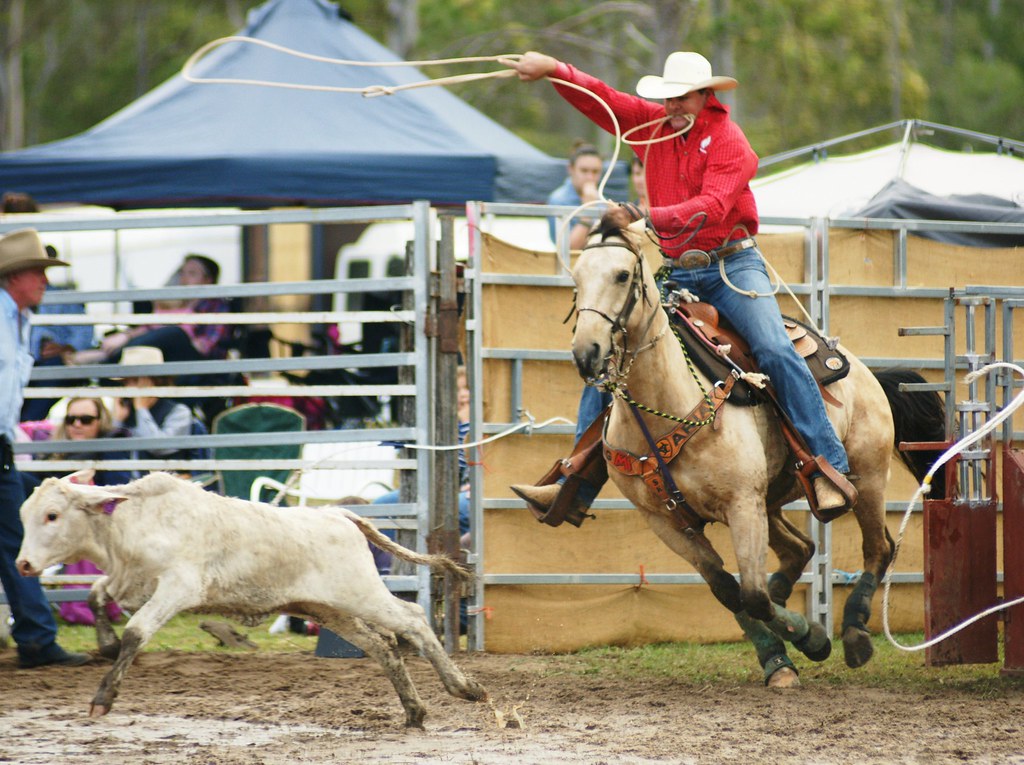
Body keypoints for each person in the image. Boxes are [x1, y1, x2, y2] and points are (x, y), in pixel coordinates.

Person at [505, 50, 856, 517]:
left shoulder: (730, 141)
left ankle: (829, 467)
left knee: (773, 348)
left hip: (731, 265)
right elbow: (603, 101)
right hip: (676, 266)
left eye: (682, 97)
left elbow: (711, 206)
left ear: (704, 96)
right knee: (613, 349)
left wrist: (646, 215)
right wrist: (555, 70)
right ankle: (574, 483)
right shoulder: (651, 125)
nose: (672, 106)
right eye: (668, 98)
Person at [0, 227, 90, 667]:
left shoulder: (18, 319)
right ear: (16, 276)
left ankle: (36, 637)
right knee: (12, 537)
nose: (44, 281)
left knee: (13, 538)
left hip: (1, 443)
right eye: (38, 272)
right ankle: (35, 637)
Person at [36, 397, 130, 625]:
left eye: (86, 420)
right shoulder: (52, 455)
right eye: (71, 419)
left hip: (100, 528)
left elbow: (117, 496)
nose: (77, 424)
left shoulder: (111, 449)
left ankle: (84, 602)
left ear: (100, 422)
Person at [72, 253, 231, 366]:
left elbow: (204, 346)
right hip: (164, 357)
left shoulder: (216, 306)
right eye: (182, 273)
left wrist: (168, 334)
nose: (183, 279)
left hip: (195, 363)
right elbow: (151, 328)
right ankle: (109, 354)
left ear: (209, 280)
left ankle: (109, 358)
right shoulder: (176, 302)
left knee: (174, 333)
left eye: (192, 274)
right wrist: (126, 336)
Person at [111, 345, 199, 476]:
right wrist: (117, 422)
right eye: (125, 381)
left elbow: (159, 448)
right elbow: (110, 452)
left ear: (155, 380)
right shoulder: (124, 410)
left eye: (135, 380)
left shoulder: (178, 412)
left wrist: (142, 409)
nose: (128, 386)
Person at [547, 141, 604, 250]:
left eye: (595, 172)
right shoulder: (558, 200)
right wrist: (588, 210)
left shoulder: (602, 201)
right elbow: (567, 250)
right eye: (584, 171)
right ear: (570, 169)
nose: (590, 177)